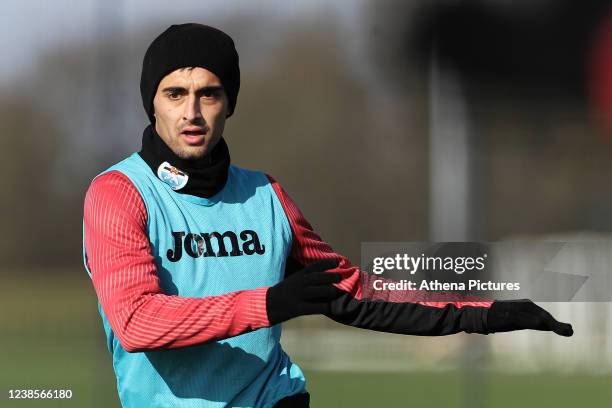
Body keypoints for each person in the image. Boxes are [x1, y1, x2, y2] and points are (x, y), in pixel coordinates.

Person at [82, 23, 573, 408]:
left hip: (275, 400)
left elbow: (353, 293)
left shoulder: (267, 196)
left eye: (208, 93)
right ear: (152, 103)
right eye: (175, 94)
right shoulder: (118, 194)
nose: (192, 111)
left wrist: (488, 314)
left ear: (229, 102)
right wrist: (270, 303)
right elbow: (137, 321)